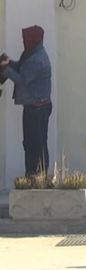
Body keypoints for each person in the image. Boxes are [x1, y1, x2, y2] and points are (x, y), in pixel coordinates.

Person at [0, 25, 52, 176]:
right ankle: (32, 173)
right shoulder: (32, 53)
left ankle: (37, 175)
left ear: (32, 39)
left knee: (36, 143)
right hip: (34, 107)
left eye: (25, 38)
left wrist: (5, 70)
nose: (23, 41)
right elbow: (22, 68)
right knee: (31, 142)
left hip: (38, 109)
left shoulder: (37, 59)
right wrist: (9, 63)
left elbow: (22, 79)